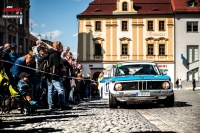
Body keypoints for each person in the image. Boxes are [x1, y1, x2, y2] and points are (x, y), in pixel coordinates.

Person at [46, 41, 71, 110]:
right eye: (61, 47)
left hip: (49, 74)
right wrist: (62, 67)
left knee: (51, 90)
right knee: (61, 90)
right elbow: (57, 64)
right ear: (58, 47)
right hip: (55, 74)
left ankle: (51, 105)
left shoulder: (49, 53)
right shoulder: (55, 54)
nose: (62, 49)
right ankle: (63, 104)